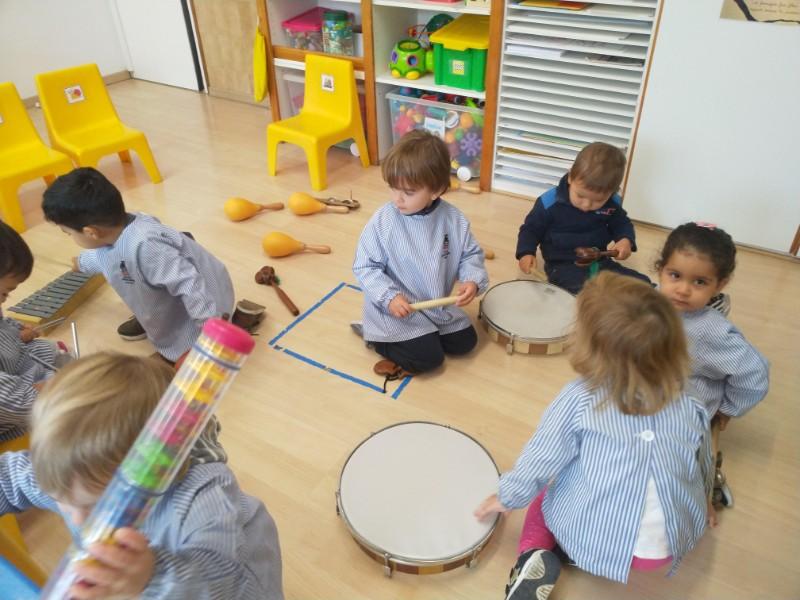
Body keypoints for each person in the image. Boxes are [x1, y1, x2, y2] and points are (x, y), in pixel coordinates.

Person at [475, 273, 713, 600]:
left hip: (598, 540)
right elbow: (702, 458)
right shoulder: (690, 399)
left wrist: (507, 496)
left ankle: (533, 555)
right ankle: (582, 554)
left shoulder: (581, 399)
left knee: (546, 493)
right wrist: (704, 501)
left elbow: (541, 459)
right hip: (668, 545)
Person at [0, 352, 283, 599]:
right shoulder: (74, 481)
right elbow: (11, 477)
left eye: (96, 505)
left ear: (153, 470)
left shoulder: (203, 495)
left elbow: (221, 580)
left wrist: (152, 576)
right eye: (60, 499)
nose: (78, 521)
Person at [42, 168, 234, 364]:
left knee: (186, 351)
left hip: (206, 305)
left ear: (91, 232)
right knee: (132, 279)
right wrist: (81, 263)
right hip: (168, 295)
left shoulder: (147, 247)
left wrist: (212, 331)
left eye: (68, 233)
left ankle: (190, 336)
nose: (70, 237)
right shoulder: (120, 227)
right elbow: (105, 256)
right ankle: (151, 319)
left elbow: (190, 286)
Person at [352, 130, 489, 377]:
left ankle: (424, 335)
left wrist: (472, 280)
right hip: (396, 309)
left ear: (436, 190)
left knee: (466, 343)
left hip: (433, 305)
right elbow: (365, 267)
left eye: (408, 192)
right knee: (430, 359)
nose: (398, 199)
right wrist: (389, 297)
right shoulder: (384, 221)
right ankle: (376, 337)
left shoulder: (453, 219)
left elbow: (470, 255)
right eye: (393, 188)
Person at [655, 222, 769, 505]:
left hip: (684, 410)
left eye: (699, 282)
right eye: (675, 275)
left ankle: (708, 481)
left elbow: (754, 373)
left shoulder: (713, 332)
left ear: (720, 285)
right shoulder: (650, 300)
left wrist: (727, 409)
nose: (683, 289)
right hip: (648, 390)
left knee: (668, 471)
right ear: (660, 270)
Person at [516, 142, 650, 294]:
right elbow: (530, 230)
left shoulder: (612, 203)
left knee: (641, 284)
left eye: (598, 200)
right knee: (583, 292)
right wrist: (526, 252)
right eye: (580, 195)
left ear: (612, 192)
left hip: (600, 259)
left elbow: (621, 223)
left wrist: (625, 240)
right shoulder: (549, 203)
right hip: (562, 264)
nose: (586, 205)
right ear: (570, 177)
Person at [0, 221, 70, 443]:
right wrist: (59, 386)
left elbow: (3, 324)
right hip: (12, 411)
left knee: (50, 350)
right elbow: (16, 401)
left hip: (13, 365)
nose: (5, 300)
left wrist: (17, 332)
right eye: (5, 293)